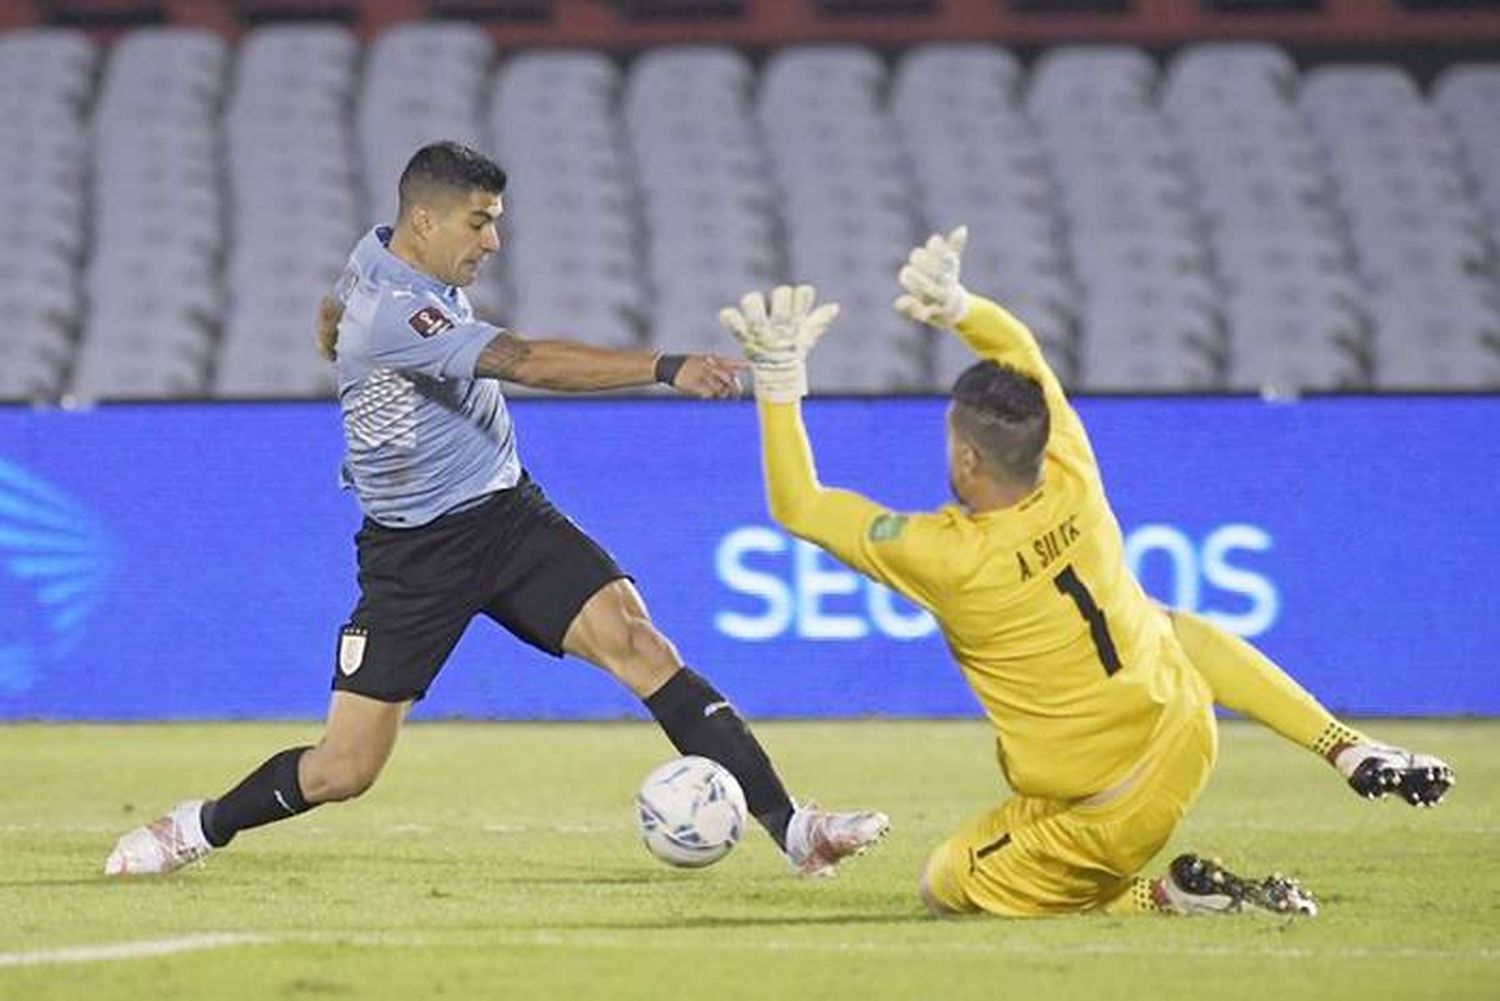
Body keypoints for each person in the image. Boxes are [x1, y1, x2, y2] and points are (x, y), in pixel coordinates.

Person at [105, 141, 888, 878]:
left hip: (508, 516)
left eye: (496, 222)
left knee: (641, 645)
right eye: (479, 222)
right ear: (427, 220)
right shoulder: (394, 312)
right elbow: (526, 361)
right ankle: (198, 825)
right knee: (343, 769)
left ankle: (794, 828)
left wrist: (335, 341)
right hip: (415, 555)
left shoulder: (376, 252)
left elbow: (333, 308)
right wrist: (665, 366)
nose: (493, 241)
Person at [718, 226, 1455, 917]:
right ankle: (1343, 743)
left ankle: (1158, 897)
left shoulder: (946, 556)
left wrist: (779, 381)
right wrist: (962, 307)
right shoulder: (1071, 465)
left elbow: (801, 505)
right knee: (1160, 622)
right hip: (1185, 733)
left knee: (945, 881)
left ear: (969, 459)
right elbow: (1023, 350)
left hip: (1109, 807)